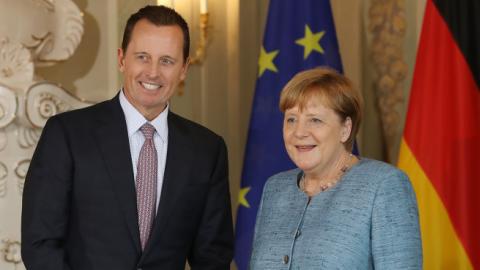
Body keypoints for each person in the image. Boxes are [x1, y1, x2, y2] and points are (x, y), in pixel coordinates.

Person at [21, 5, 233, 270]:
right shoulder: (67, 135)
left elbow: (213, 257)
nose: (153, 72)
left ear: (184, 69)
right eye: (142, 57)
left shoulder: (207, 151)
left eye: (167, 60)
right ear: (122, 59)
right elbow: (40, 243)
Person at [249, 67, 422, 269]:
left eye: (315, 120)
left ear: (345, 129)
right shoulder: (275, 188)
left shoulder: (384, 186)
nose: (299, 132)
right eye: (291, 119)